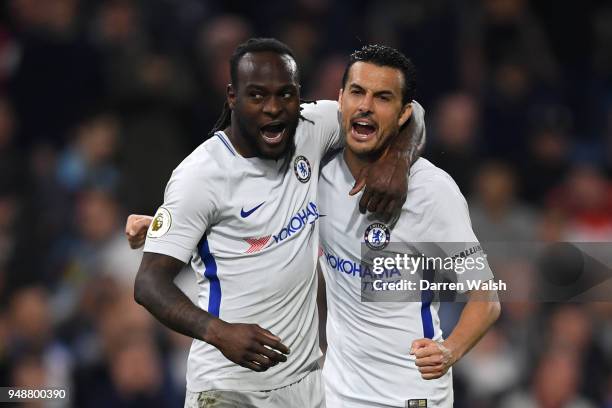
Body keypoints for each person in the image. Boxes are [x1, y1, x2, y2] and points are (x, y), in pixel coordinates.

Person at [131, 38, 426, 408]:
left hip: (304, 386)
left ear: (298, 96)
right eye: (257, 96)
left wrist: (398, 159)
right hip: (227, 387)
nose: (273, 108)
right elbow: (148, 283)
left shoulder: (311, 127)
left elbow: (410, 114)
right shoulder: (200, 176)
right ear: (232, 97)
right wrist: (218, 332)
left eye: (285, 95)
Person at [318, 44, 500, 407]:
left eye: (382, 97)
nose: (366, 105)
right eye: (357, 92)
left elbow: (487, 298)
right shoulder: (317, 172)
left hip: (411, 393)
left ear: (404, 115)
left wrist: (449, 351)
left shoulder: (431, 191)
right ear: (339, 99)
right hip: (337, 393)